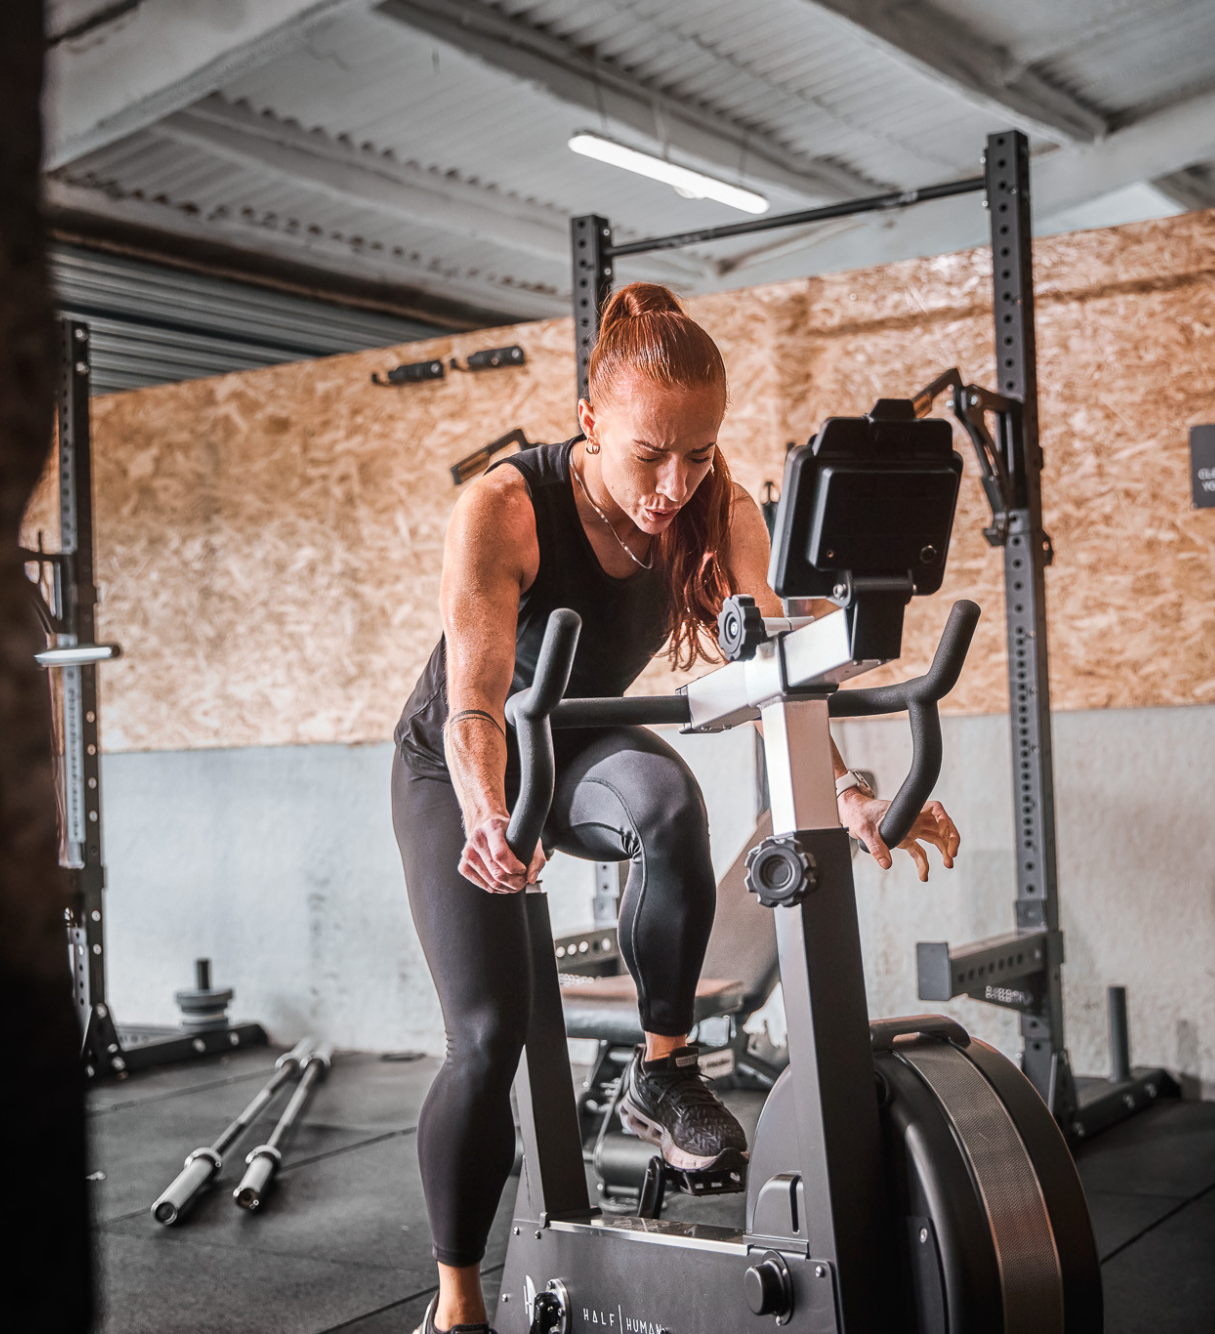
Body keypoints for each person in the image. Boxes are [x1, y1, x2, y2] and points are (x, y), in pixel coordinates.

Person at [391, 283, 961, 1334]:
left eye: (697, 451)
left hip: (582, 737)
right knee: (484, 1036)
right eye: (650, 452)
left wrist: (845, 791)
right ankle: (458, 1295)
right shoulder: (502, 507)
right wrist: (483, 809)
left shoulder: (718, 505)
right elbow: (475, 695)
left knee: (664, 797)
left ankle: (660, 1074)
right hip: (456, 761)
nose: (674, 482)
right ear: (589, 419)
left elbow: (772, 676)